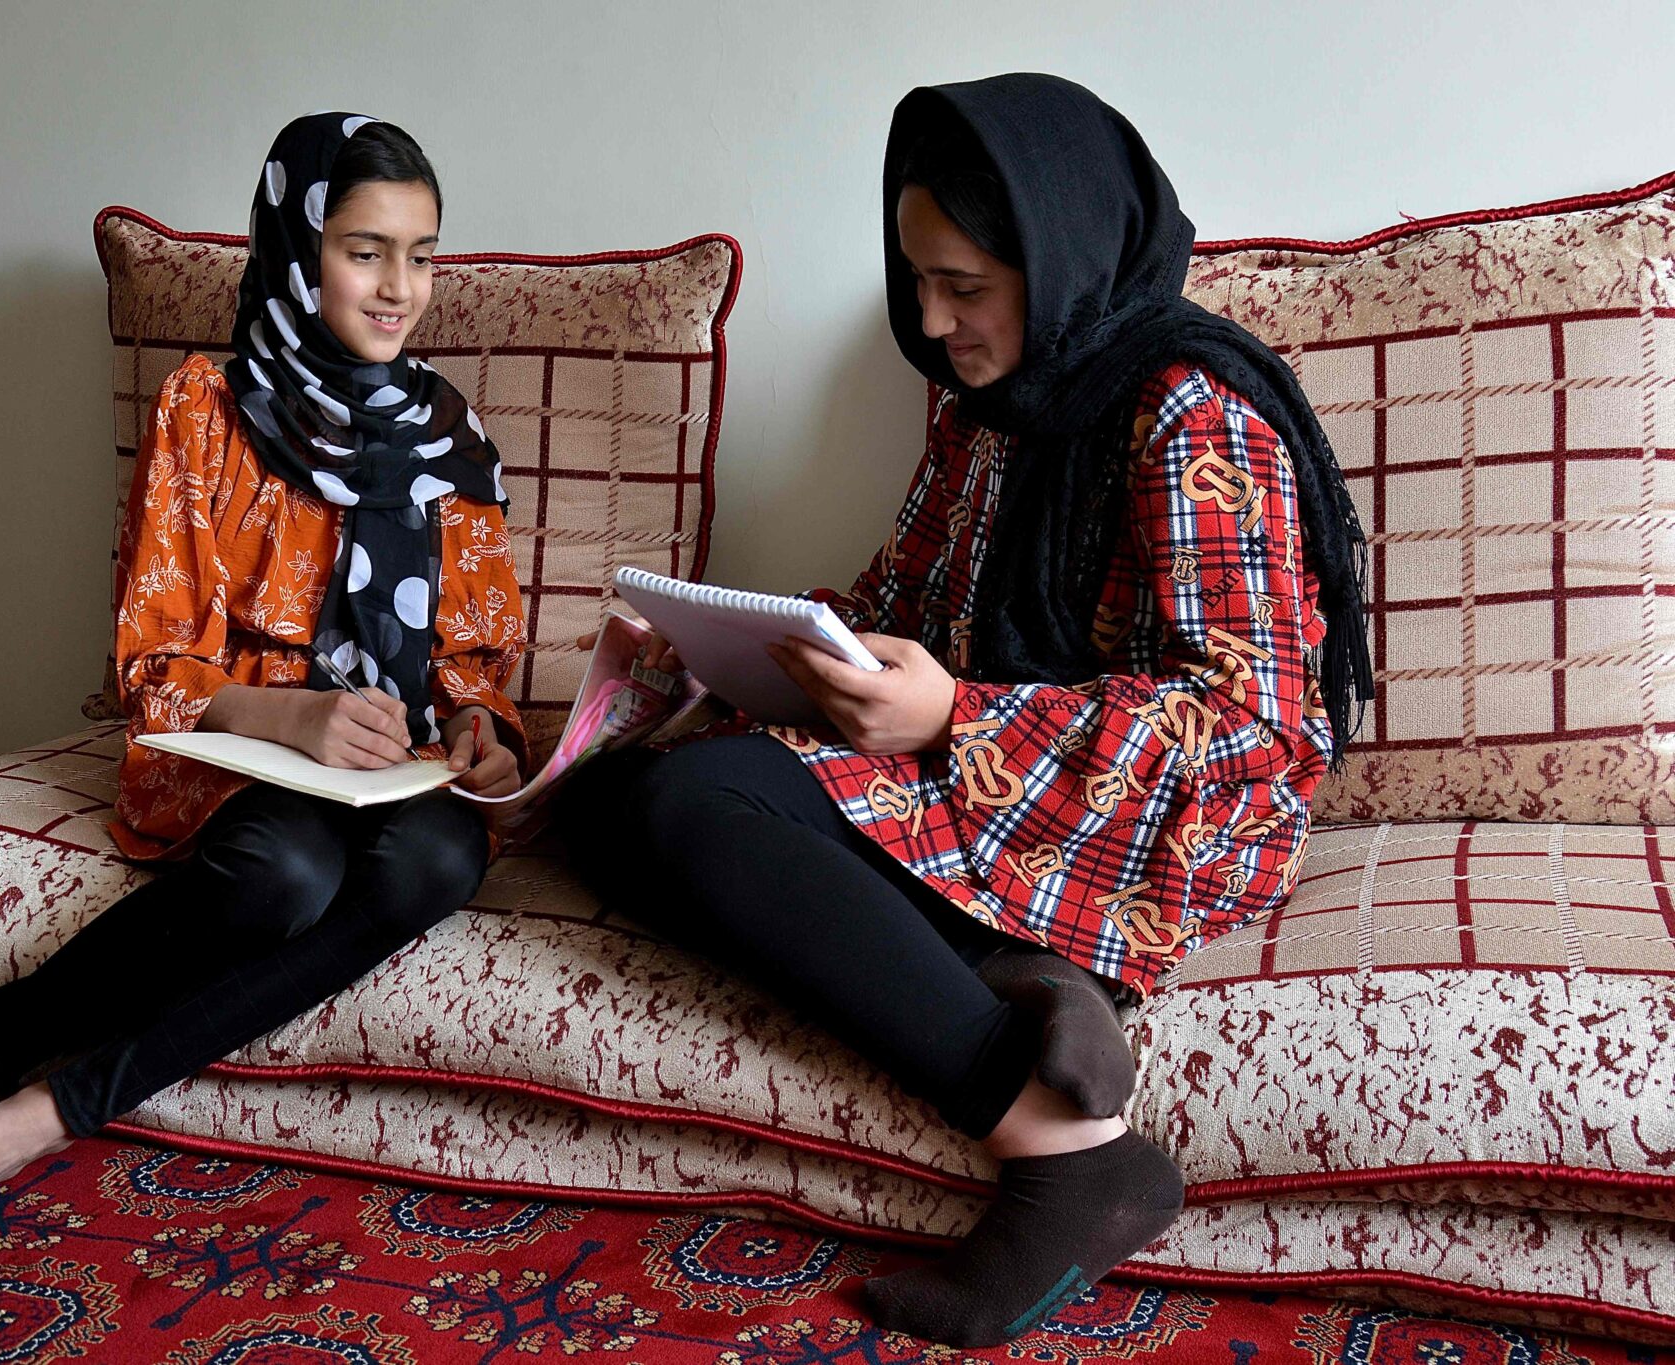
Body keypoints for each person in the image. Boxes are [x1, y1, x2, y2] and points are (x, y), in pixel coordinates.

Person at [560, 73, 1372, 1349]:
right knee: (604, 798)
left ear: (1058, 255)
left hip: (1166, 821)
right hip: (986, 781)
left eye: (966, 286)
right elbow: (899, 606)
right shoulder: (987, 412)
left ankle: (1070, 1156)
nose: (932, 323)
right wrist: (723, 646)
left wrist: (954, 723)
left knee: (691, 802)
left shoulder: (1188, 413)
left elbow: (1253, 732)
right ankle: (1018, 973)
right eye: (916, 282)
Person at [0, 112, 528, 1244]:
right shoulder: (209, 405)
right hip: (239, 753)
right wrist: (290, 715)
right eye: (364, 249)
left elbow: (475, 660)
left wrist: (481, 728)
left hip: (396, 768)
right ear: (296, 249)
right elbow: (153, 661)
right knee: (280, 876)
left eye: (422, 253)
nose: (400, 288)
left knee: (441, 858)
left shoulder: (450, 435)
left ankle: (35, 1112)